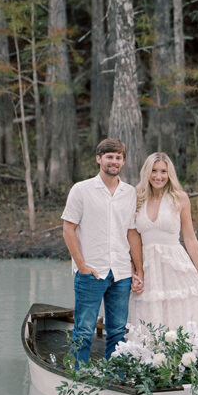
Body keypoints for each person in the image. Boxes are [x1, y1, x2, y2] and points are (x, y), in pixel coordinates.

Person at [62, 139, 144, 363]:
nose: (114, 161)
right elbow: (68, 229)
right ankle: (78, 377)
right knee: (84, 330)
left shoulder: (129, 193)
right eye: (109, 156)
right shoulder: (81, 189)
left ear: (124, 161)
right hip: (92, 271)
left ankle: (114, 378)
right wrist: (82, 266)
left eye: (118, 157)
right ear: (99, 159)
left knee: (117, 332)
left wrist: (138, 270)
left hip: (121, 272)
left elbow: (132, 233)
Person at [128, 152, 198, 332]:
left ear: (169, 174)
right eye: (154, 171)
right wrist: (135, 271)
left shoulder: (179, 197)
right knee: (151, 318)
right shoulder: (136, 198)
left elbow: (190, 238)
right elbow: (132, 239)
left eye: (163, 171)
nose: (158, 176)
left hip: (176, 266)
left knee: (179, 317)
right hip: (149, 268)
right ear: (147, 172)